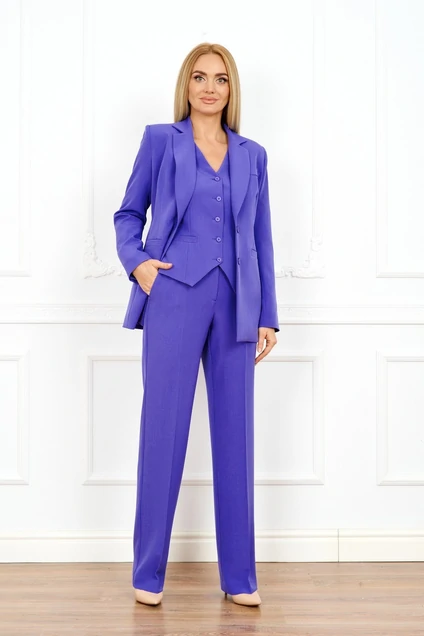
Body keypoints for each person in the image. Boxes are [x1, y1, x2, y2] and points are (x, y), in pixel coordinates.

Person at [113, 42, 279, 607]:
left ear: (232, 90)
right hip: (173, 297)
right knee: (163, 432)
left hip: (236, 305)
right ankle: (148, 573)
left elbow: (260, 237)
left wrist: (268, 315)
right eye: (201, 77)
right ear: (187, 84)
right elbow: (128, 213)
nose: (211, 88)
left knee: (236, 438)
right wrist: (138, 264)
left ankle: (240, 579)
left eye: (221, 79)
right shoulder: (161, 141)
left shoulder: (253, 155)